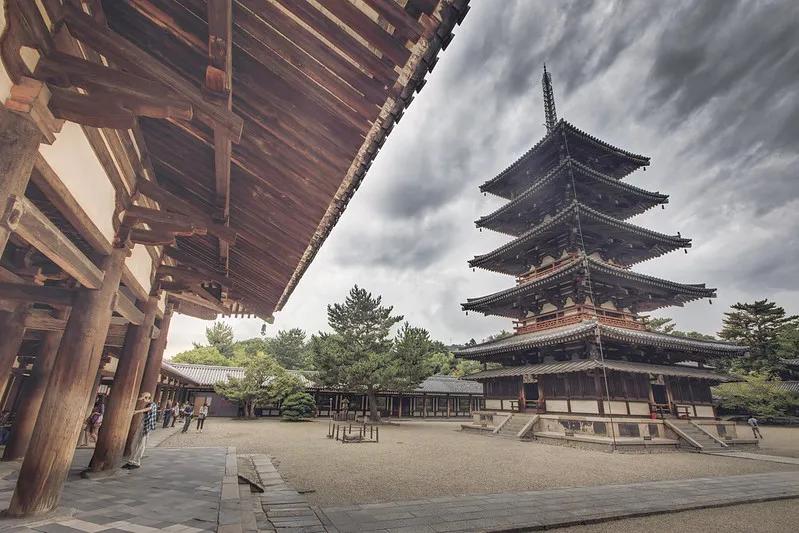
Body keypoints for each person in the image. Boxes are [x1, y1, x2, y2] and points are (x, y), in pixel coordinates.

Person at [123, 392, 157, 470]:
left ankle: (136, 462)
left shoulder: (153, 404)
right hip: (143, 424)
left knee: (141, 445)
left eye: (143, 399)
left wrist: (137, 411)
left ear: (147, 398)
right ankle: (131, 461)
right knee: (134, 443)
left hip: (146, 427)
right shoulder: (147, 405)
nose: (143, 401)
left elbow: (149, 408)